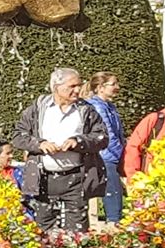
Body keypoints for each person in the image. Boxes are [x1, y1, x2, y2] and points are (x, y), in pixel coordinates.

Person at [10, 67, 108, 234]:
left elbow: (102, 137)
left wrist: (79, 141)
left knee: (77, 231)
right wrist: (39, 144)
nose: (78, 90)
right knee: (44, 228)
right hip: (44, 178)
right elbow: (17, 135)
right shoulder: (39, 108)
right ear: (56, 87)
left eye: (79, 85)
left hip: (76, 177)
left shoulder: (86, 110)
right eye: (72, 86)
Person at [85, 72, 126, 224]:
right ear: (101, 88)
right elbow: (107, 135)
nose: (117, 87)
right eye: (113, 84)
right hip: (105, 156)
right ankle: (113, 225)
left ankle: (115, 222)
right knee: (112, 193)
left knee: (115, 192)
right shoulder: (96, 106)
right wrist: (121, 155)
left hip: (110, 155)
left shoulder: (109, 106)